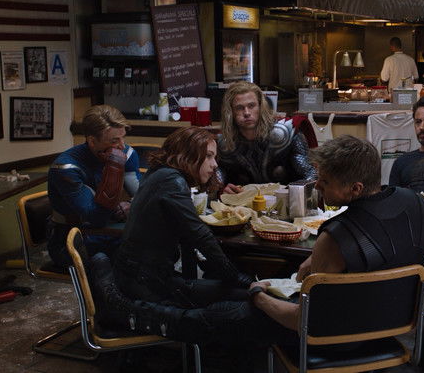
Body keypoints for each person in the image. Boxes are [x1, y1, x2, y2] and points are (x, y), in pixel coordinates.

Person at [108, 126, 292, 347]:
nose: (214, 165)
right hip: (147, 285)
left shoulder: (159, 174)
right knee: (248, 306)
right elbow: (200, 236)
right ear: (187, 155)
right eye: (209, 156)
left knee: (247, 297)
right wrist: (238, 277)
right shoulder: (171, 180)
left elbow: (192, 236)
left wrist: (236, 279)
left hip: (147, 278)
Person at [248, 135, 424, 330]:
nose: (317, 185)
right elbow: (388, 244)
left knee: (237, 311)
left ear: (355, 188)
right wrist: (319, 257)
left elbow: (304, 322)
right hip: (400, 322)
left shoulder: (334, 237)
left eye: (325, 181)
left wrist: (258, 296)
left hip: (344, 337)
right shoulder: (421, 205)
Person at [46, 105, 140, 268]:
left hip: (110, 235)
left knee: (151, 254)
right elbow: (96, 218)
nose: (122, 146)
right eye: (114, 141)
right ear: (92, 141)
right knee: (107, 263)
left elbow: (143, 195)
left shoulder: (127, 153)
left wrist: (131, 204)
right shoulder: (66, 168)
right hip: (72, 241)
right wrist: (114, 169)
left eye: (123, 138)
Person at [217, 81, 316, 194]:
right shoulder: (225, 144)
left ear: (260, 106)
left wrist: (292, 192)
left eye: (251, 106)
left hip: (286, 201)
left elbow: (311, 175)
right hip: (245, 203)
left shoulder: (286, 134)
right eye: (239, 108)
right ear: (231, 112)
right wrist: (223, 190)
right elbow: (215, 183)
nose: (247, 113)